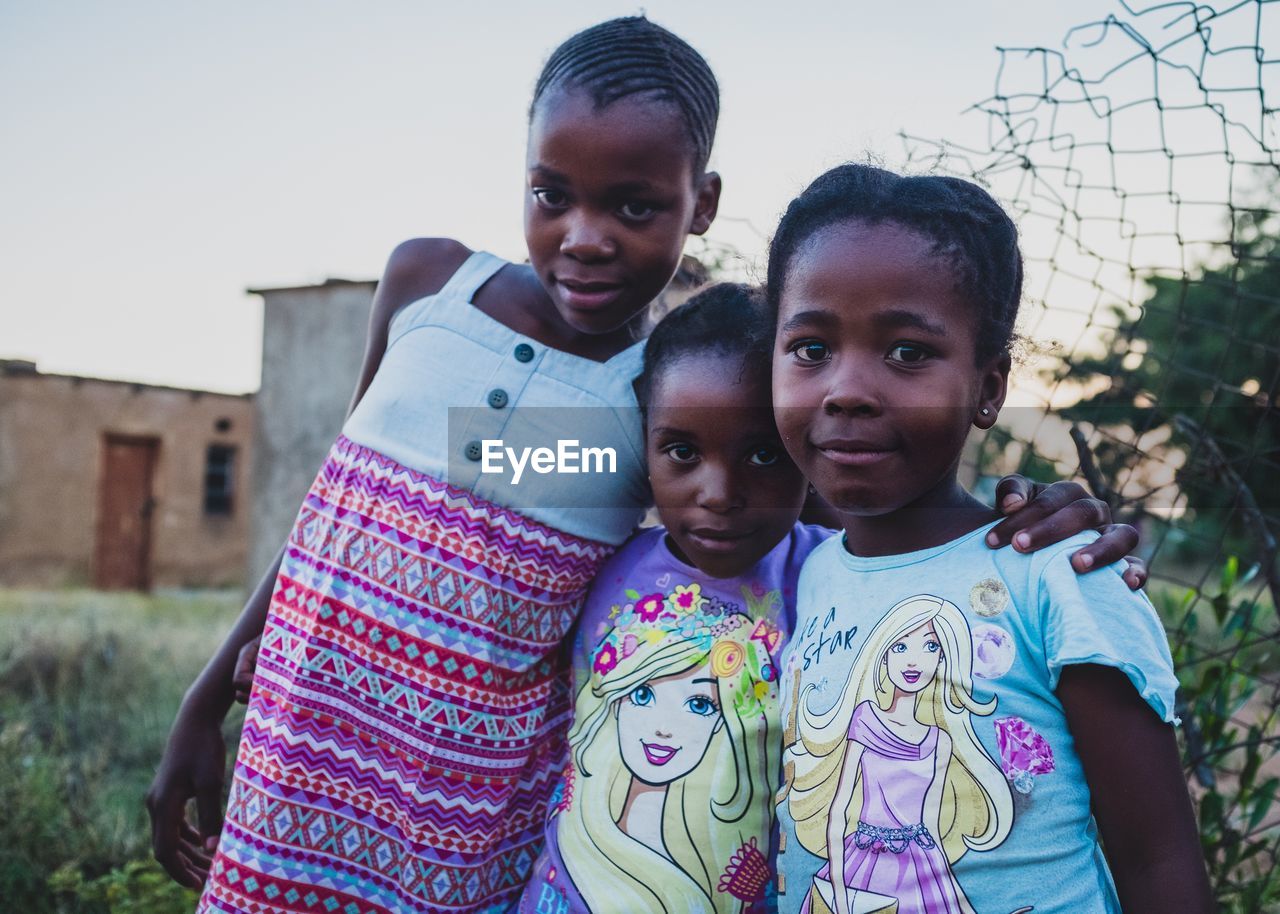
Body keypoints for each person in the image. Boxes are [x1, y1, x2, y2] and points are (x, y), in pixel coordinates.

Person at [145, 18, 1148, 914]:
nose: (584, 238)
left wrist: (1036, 513)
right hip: (300, 733)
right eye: (552, 194)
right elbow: (342, 504)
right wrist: (209, 691)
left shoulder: (656, 407)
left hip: (460, 790)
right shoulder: (426, 284)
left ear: (698, 202)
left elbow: (848, 515)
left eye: (631, 206)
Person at [768, 164, 1213, 914]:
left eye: (907, 352)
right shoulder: (803, 575)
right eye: (811, 347)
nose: (845, 387)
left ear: (990, 388)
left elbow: (1158, 861)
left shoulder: (1059, 572)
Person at [520, 284, 825, 914]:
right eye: (682, 451)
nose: (718, 493)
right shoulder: (595, 560)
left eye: (763, 454)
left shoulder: (828, 575)